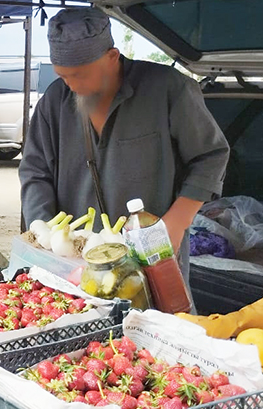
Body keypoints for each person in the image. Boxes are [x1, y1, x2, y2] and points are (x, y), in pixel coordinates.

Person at [18, 8, 229, 300]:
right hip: (77, 265)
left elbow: (211, 156)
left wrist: (175, 224)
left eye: (80, 75)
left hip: (153, 256)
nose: (72, 86)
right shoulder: (54, 101)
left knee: (160, 330)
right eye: (63, 76)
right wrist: (46, 239)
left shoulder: (169, 89)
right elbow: (34, 172)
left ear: (112, 57)